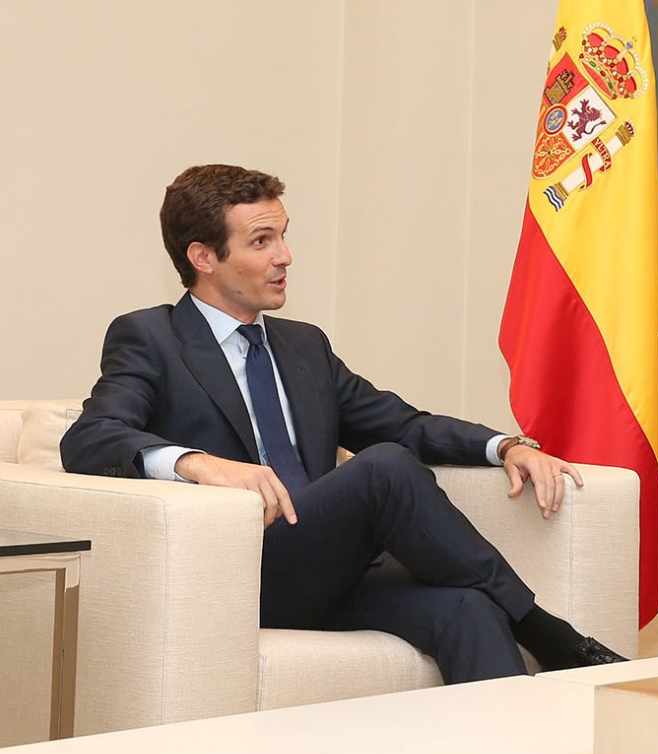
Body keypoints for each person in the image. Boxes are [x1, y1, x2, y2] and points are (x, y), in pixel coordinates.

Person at [61, 164, 625, 682]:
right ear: (204, 257)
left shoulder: (303, 346)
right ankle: (545, 631)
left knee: (467, 606)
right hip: (243, 571)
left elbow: (402, 424)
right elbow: (91, 439)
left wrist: (505, 447)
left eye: (283, 234)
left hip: (330, 568)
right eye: (262, 241)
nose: (285, 255)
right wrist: (197, 464)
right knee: (382, 470)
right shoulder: (151, 338)